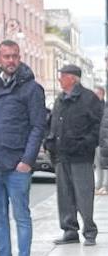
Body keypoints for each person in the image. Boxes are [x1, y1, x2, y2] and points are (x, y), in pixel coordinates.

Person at [0, 39, 46, 256]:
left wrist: (27, 161)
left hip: (17, 167)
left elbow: (38, 127)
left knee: (22, 217)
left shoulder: (32, 89)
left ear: (19, 57)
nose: (11, 60)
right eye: (7, 56)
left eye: (15, 56)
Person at [44, 65, 102, 247]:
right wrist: (49, 142)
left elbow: (97, 127)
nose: (59, 79)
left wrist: (84, 144)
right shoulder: (60, 99)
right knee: (65, 196)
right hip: (62, 156)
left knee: (84, 195)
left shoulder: (89, 98)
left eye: (62, 76)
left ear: (73, 78)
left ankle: (90, 232)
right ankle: (70, 231)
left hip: (81, 156)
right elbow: (53, 122)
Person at [93, 86, 108, 195]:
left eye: (97, 93)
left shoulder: (104, 107)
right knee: (98, 164)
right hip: (96, 140)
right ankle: (98, 185)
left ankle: (105, 186)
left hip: (104, 141)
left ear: (102, 94)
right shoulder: (92, 107)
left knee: (105, 165)